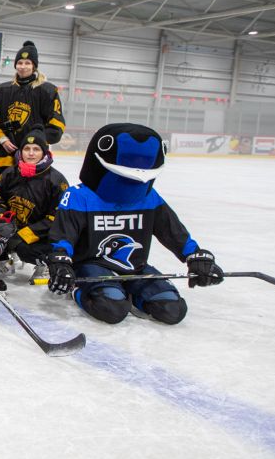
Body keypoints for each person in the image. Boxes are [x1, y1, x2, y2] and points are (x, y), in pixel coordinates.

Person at [46, 123, 223, 325]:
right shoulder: (80, 196)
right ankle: (81, 289)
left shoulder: (149, 197)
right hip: (92, 266)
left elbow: (172, 230)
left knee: (173, 310)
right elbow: (64, 233)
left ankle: (131, 293)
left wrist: (194, 255)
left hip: (135, 267)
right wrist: (60, 259)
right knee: (111, 309)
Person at [0, 134, 69, 277]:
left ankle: (46, 263)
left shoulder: (57, 181)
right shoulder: (9, 174)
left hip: (41, 234)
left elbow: (57, 218)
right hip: (13, 226)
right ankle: (5, 260)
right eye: (27, 149)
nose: (31, 153)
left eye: (36, 149)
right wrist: (4, 223)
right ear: (21, 151)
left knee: (24, 249)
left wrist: (24, 235)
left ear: (44, 153)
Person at [0, 41, 65, 170]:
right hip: (6, 156)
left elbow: (56, 126)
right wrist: (2, 139)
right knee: (6, 183)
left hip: (34, 156)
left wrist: (35, 141)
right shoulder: (2, 91)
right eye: (20, 63)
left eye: (27, 63)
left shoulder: (47, 91)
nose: (23, 66)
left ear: (34, 66)